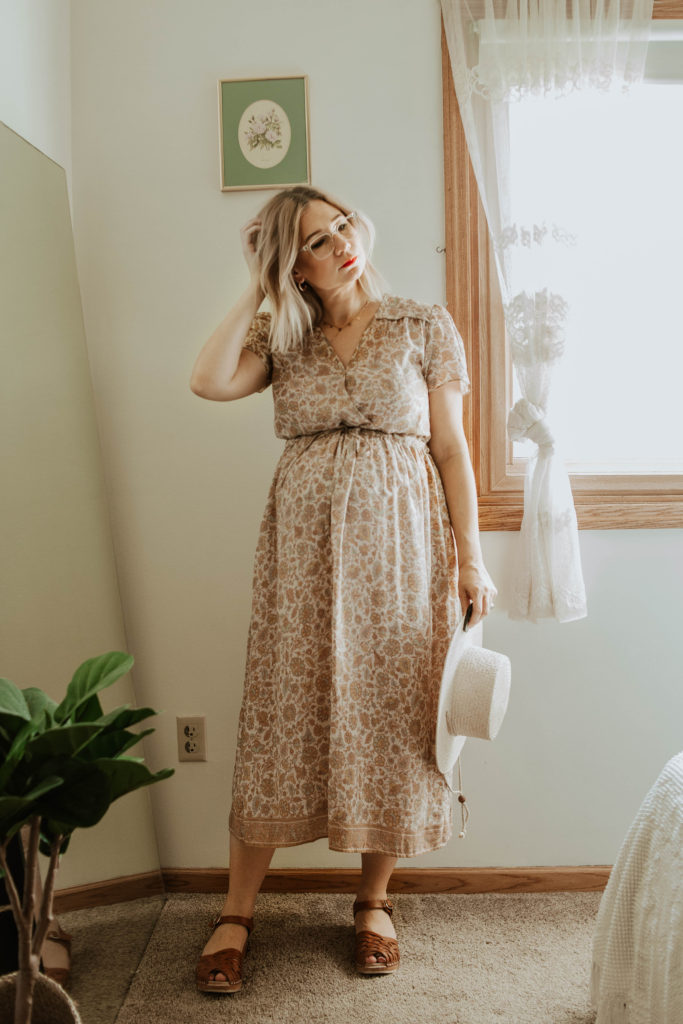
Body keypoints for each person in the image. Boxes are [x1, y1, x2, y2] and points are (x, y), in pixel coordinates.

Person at [189, 185, 496, 993]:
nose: (341, 245)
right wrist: (257, 288)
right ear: (293, 265)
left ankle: (373, 903)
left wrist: (470, 559)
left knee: (394, 709)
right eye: (316, 242)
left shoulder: (422, 323)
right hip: (301, 553)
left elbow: (452, 450)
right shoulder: (282, 336)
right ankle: (236, 912)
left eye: (341, 226)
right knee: (281, 708)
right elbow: (207, 382)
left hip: (404, 548)